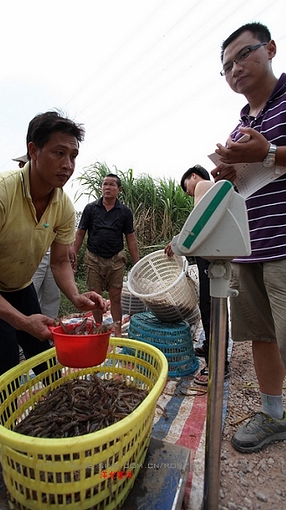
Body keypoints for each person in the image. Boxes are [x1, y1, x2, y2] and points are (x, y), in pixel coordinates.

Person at [0, 110, 106, 390]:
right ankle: (2, 426)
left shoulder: (64, 207)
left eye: (73, 156)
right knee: (2, 351)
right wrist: (20, 321)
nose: (68, 165)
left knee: (43, 347)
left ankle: (58, 401)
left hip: (18, 282)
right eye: (59, 153)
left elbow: (59, 262)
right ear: (33, 150)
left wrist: (75, 295)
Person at [211, 22, 286, 453]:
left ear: (271, 48)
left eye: (243, 55)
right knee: (262, 334)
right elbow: (251, 183)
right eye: (226, 66)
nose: (235, 68)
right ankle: (273, 413)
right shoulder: (242, 124)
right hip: (250, 244)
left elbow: (271, 160)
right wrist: (230, 174)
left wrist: (270, 152)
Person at [164, 165, 230, 386]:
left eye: (186, 187)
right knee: (209, 304)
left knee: (211, 306)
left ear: (193, 176)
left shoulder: (204, 185)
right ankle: (211, 348)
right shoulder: (212, 190)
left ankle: (218, 365)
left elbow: (200, 225)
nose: (188, 192)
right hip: (211, 253)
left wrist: (178, 243)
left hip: (211, 255)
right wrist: (178, 241)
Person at [70, 173, 140, 337]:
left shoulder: (124, 212)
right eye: (104, 184)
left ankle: (117, 332)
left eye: (111, 185)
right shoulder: (91, 209)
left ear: (119, 189)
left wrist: (137, 264)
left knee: (115, 298)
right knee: (95, 298)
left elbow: (131, 239)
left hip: (116, 260)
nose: (107, 188)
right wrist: (72, 254)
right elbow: (80, 234)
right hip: (93, 259)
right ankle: (99, 328)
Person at [13, 154, 62, 319]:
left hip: (52, 253)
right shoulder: (14, 194)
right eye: (21, 164)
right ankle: (26, 337)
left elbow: (60, 228)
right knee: (31, 296)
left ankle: (49, 337)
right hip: (30, 256)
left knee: (52, 295)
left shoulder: (56, 195)